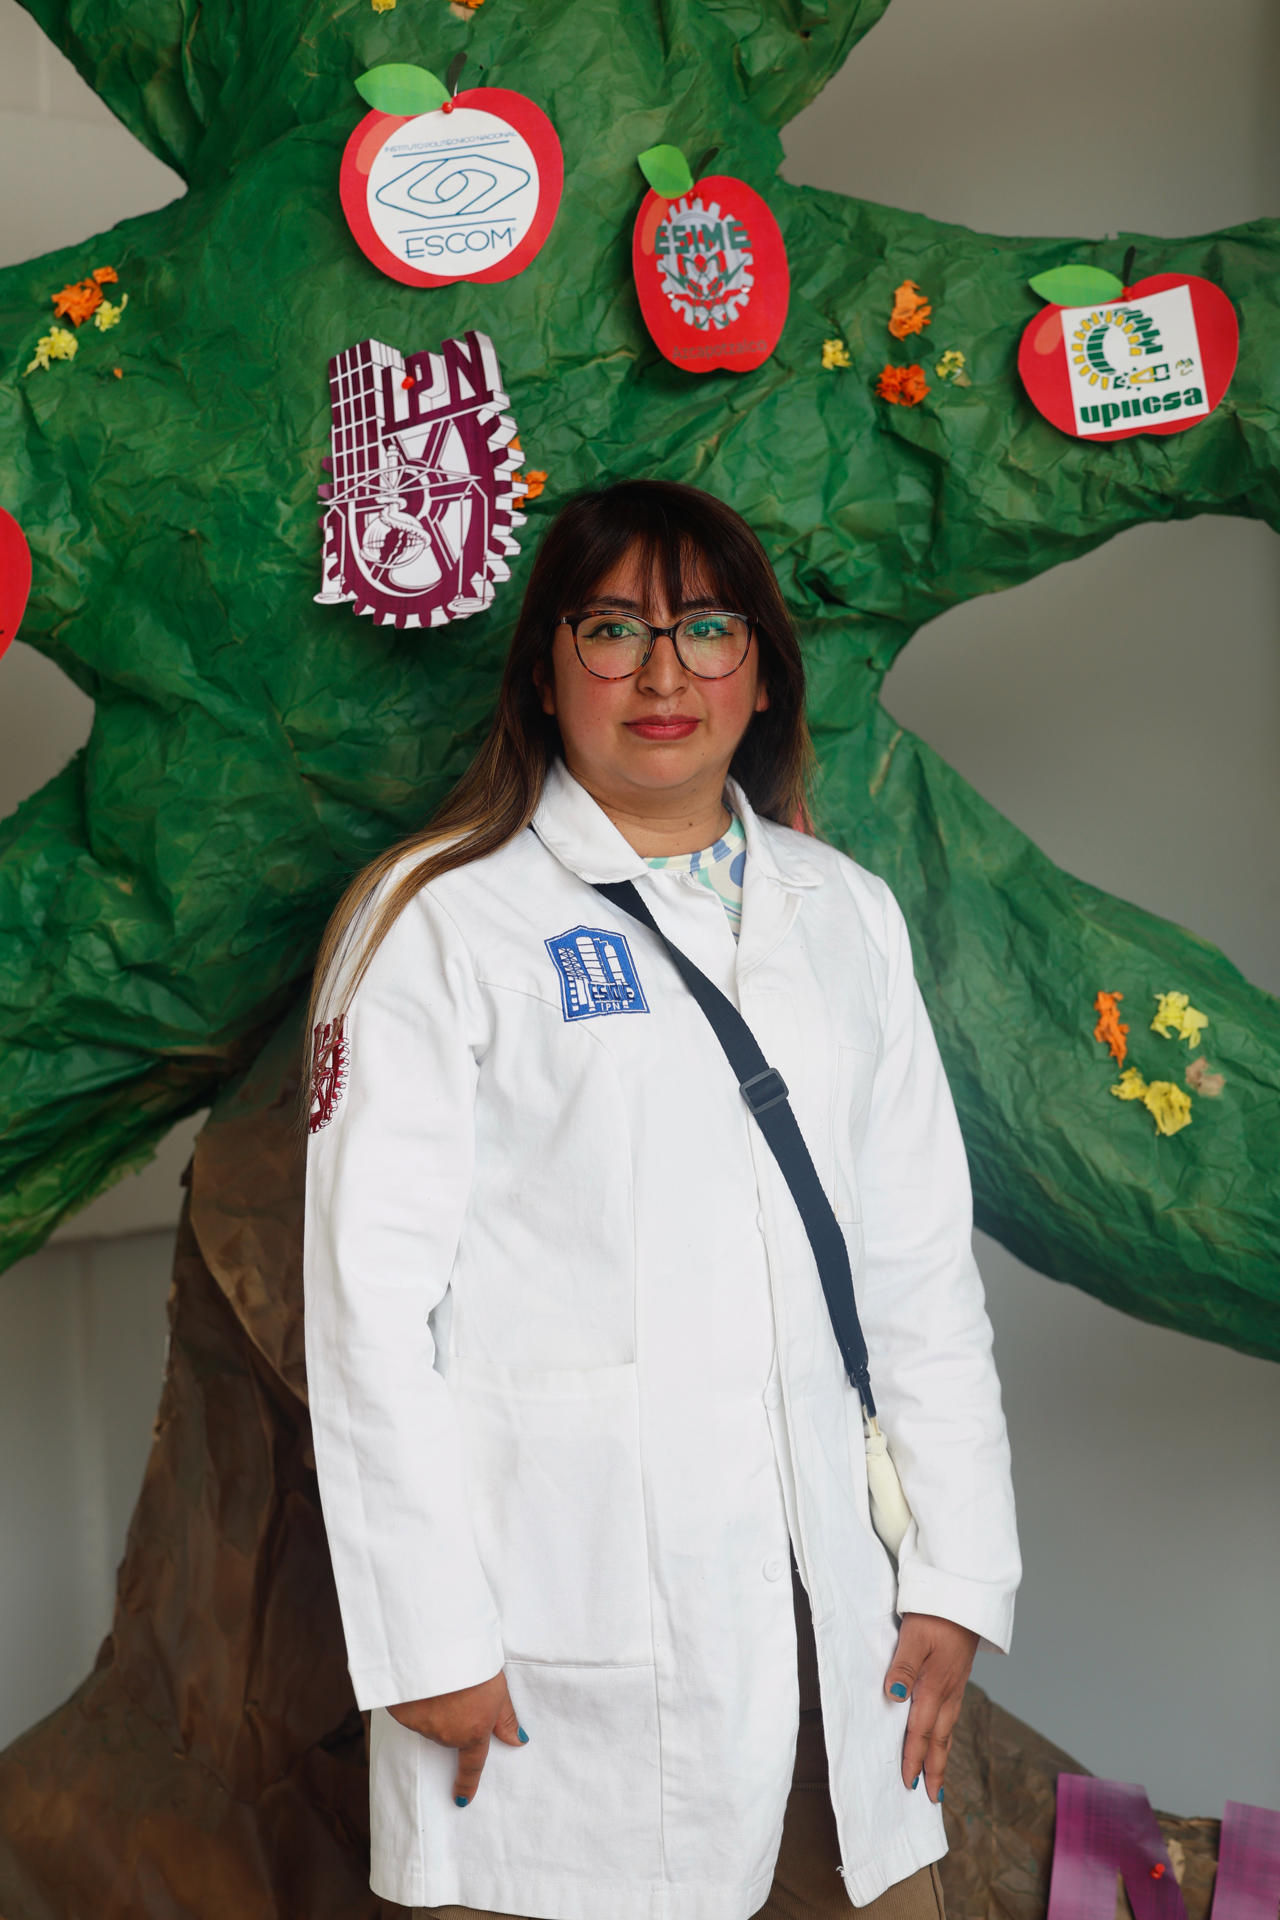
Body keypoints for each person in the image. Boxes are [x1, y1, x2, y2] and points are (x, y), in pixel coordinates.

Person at [301, 478, 1021, 1920]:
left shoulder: (842, 912)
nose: (664, 673)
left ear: (760, 671)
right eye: (614, 629)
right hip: (550, 1638)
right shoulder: (443, 919)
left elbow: (920, 1272)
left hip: (842, 1623)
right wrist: (426, 1635)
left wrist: (955, 1575)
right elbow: (367, 1316)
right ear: (546, 672)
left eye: (705, 628)